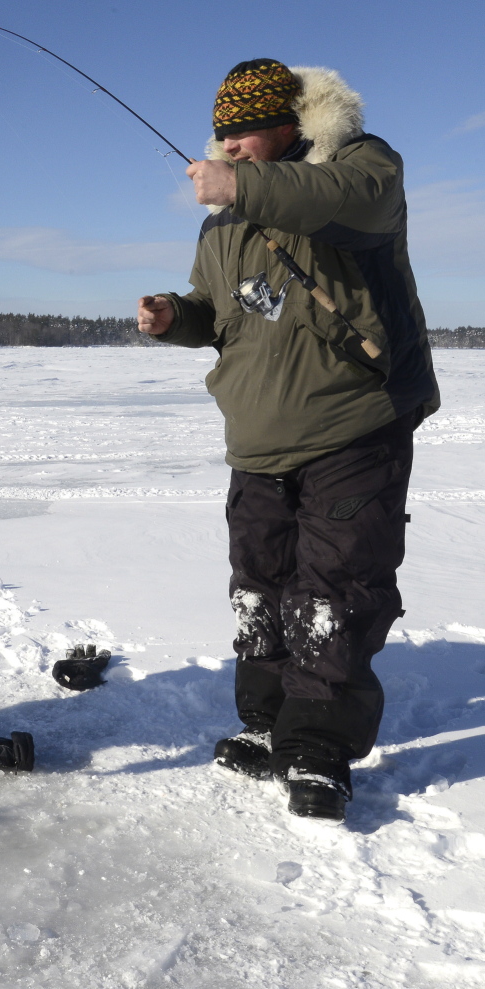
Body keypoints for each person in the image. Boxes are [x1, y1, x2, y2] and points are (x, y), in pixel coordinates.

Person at [138, 59, 439, 822]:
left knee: (333, 594)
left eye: (245, 130)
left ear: (288, 124)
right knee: (261, 589)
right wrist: (177, 318)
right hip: (256, 440)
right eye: (223, 132)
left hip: (352, 425)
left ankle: (319, 746)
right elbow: (222, 310)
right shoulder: (221, 224)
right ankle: (269, 721)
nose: (230, 145)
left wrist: (240, 185)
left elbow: (352, 203)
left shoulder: (359, 168)